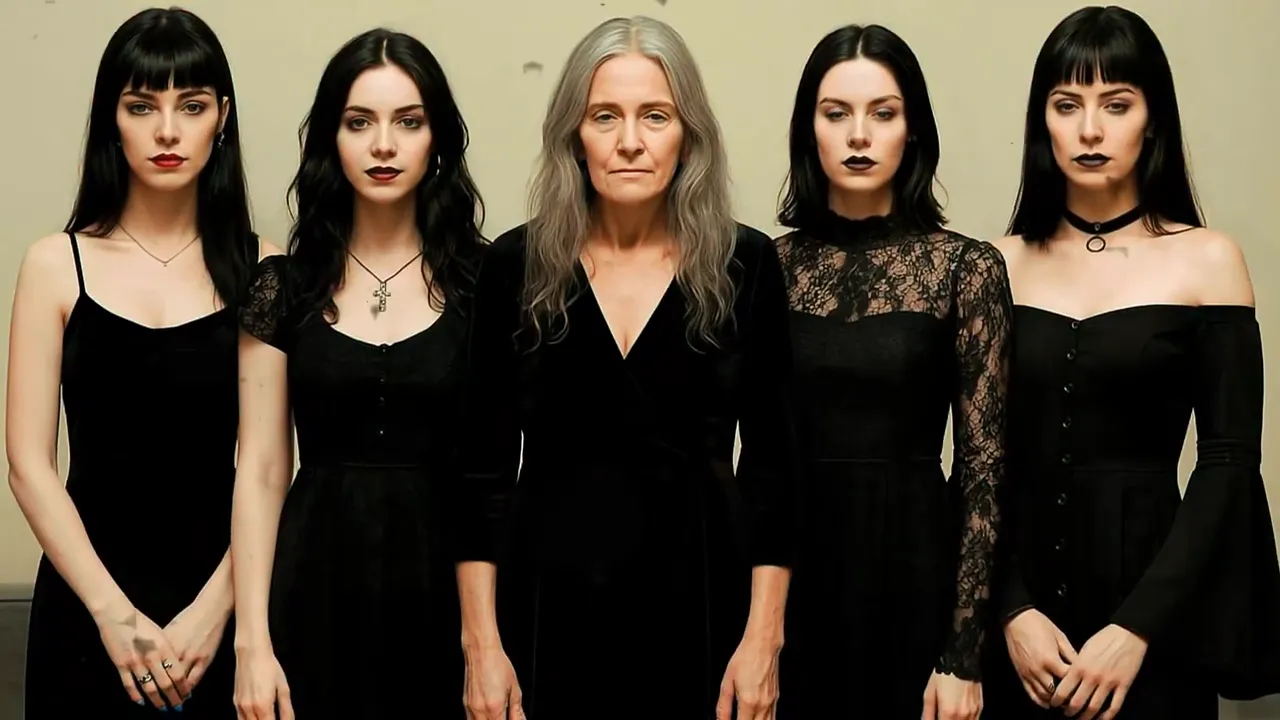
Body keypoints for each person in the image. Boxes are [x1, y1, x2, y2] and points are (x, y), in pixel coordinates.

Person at [452, 15, 796, 720]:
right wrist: (482, 648)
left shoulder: (746, 264)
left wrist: (764, 639)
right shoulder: (513, 267)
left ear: (688, 134)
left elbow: (776, 473)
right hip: (545, 607)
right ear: (573, 137)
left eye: (656, 116)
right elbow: (478, 477)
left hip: (704, 604)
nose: (631, 141)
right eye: (605, 116)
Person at [987, 6, 1280, 719]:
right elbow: (978, 465)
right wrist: (1010, 611)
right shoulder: (994, 264)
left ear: (1152, 119)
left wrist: (1135, 628)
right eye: (1067, 105)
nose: (1090, 130)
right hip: (1020, 635)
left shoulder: (1209, 259)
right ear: (1042, 122)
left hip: (1156, 621)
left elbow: (1229, 465)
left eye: (1115, 104)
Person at [6, 7, 266, 717]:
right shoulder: (55, 265)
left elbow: (273, 467)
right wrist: (111, 614)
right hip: (84, 609)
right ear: (110, 119)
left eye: (191, 105)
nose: (167, 132)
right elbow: (29, 464)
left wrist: (215, 614)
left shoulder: (264, 268)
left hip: (226, 607)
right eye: (141, 106)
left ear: (222, 117)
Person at [229, 28, 486, 720]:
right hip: (311, 587)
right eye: (358, 122)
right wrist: (251, 643)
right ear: (330, 141)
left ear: (438, 141)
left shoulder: (488, 282)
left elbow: (501, 472)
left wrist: (487, 641)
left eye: (409, 122)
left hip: (447, 593)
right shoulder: (280, 285)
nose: (383, 145)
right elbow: (258, 468)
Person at [769, 23, 1011, 720]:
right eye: (836, 113)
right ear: (808, 129)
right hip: (796, 572)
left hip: (914, 568)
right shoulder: (769, 268)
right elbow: (754, 462)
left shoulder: (965, 268)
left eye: (883, 113)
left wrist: (963, 654)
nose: (858, 136)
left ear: (913, 130)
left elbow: (985, 468)